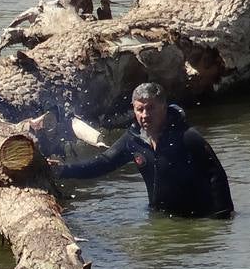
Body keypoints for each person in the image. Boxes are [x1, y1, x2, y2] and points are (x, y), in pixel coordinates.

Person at [56, 82, 234, 218]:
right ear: (133, 109)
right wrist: (63, 170)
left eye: (151, 108)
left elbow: (216, 174)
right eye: (140, 109)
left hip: (196, 217)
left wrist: (222, 217)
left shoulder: (186, 136)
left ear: (164, 107)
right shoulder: (134, 139)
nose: (145, 115)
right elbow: (104, 162)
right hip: (161, 217)